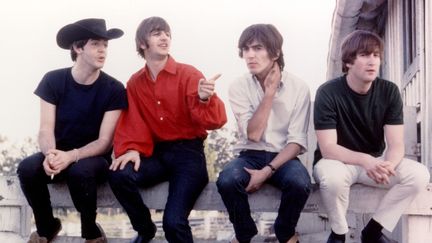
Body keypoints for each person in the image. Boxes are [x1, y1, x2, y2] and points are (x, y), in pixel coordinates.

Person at [108, 16, 227, 243]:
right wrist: (132, 149)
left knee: (173, 222)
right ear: (143, 44)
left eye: (167, 33)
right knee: (119, 174)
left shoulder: (189, 74)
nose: (164, 38)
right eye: (157, 33)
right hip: (156, 154)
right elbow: (134, 120)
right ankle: (145, 229)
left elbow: (217, 121)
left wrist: (204, 99)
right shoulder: (135, 83)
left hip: (189, 155)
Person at [313, 30, 430, 243]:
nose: (372, 61)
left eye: (376, 55)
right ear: (348, 61)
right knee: (333, 180)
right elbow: (328, 147)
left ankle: (373, 232)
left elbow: (396, 144)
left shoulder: (389, 91)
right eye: (365, 55)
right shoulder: (328, 92)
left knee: (419, 175)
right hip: (336, 162)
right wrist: (365, 160)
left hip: (375, 164)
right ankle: (339, 234)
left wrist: (388, 165)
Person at [17, 18, 127, 243]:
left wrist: (71, 156)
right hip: (59, 152)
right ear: (78, 48)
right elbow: (45, 129)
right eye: (96, 44)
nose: (103, 50)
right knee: (27, 168)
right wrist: (50, 154)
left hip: (93, 159)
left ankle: (91, 232)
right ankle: (46, 226)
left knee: (80, 171)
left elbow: (105, 141)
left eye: (105, 45)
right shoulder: (53, 80)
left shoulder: (114, 89)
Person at [216, 24, 312, 243]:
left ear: (275, 53)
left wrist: (267, 171)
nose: (250, 55)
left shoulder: (299, 87)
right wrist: (269, 95)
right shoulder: (238, 86)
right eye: (246, 49)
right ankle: (244, 234)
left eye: (258, 48)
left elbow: (296, 141)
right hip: (250, 154)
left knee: (300, 183)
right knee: (227, 180)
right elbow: (254, 134)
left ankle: (286, 233)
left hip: (284, 157)